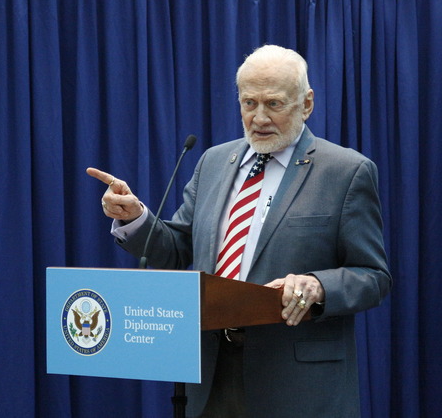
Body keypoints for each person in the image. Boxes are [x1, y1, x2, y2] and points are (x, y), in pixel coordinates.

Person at [87, 45, 391, 418]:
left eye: (274, 104)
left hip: (295, 384)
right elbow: (179, 249)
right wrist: (135, 218)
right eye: (249, 103)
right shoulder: (214, 161)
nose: (259, 118)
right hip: (210, 374)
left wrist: (319, 285)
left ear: (306, 104)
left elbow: (373, 276)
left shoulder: (345, 171)